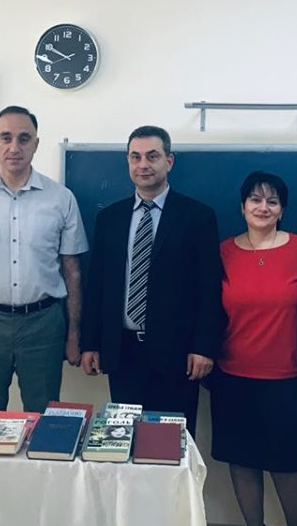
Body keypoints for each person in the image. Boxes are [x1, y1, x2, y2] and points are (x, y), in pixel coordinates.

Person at [80, 125, 222, 436]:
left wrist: (204, 347)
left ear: (169, 161)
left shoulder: (197, 217)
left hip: (177, 355)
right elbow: (97, 285)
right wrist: (89, 342)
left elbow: (210, 288)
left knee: (170, 445)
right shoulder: (110, 219)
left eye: (152, 156)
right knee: (124, 442)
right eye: (135, 157)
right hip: (121, 353)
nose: (143, 164)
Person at [0, 106, 88, 415]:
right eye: (6, 137)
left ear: (36, 144)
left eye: (24, 139)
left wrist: (74, 333)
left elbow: (72, 271)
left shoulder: (61, 198)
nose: (14, 147)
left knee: (43, 419)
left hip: (44, 324)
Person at [209, 171, 297, 526]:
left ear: (282, 209)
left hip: (288, 377)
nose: (263, 207)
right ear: (242, 207)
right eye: (255, 199)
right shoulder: (223, 252)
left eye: (272, 201)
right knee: (242, 461)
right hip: (232, 375)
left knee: (287, 463)